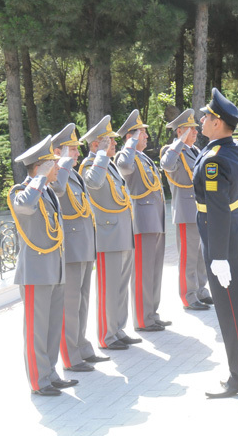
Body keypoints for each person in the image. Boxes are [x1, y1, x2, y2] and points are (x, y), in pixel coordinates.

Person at [194, 88, 238, 398]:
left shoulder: (215, 160)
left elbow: (217, 208)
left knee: (232, 312)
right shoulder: (232, 147)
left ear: (218, 123)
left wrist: (217, 256)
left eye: (207, 116)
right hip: (237, 236)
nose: (202, 120)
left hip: (224, 245)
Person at [8, 135, 78, 396]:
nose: (58, 169)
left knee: (51, 328)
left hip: (54, 269)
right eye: (52, 164)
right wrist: (38, 178)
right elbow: (25, 207)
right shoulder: (20, 192)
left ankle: (50, 372)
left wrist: (45, 176)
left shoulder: (48, 191)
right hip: (36, 272)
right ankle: (39, 381)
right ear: (39, 168)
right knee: (37, 330)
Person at [49, 124, 109, 373]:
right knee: (71, 303)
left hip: (84, 243)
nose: (76, 153)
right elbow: (58, 190)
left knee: (83, 301)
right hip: (72, 247)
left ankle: (82, 347)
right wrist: (61, 162)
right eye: (71, 149)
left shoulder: (72, 173)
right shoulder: (59, 173)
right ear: (57, 152)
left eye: (75, 148)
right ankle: (70, 356)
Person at [80, 115, 141, 350]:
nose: (114, 144)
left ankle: (118, 328)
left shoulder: (108, 163)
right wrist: (102, 156)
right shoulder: (90, 165)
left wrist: (106, 156)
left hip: (123, 232)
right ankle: (106, 335)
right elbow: (94, 183)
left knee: (121, 286)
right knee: (108, 287)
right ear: (96, 144)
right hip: (108, 235)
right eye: (109, 141)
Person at [115, 110, 169, 332]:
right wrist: (130, 143)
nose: (146, 137)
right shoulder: (125, 155)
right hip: (142, 221)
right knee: (143, 272)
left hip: (155, 219)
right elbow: (125, 167)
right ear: (131, 136)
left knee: (155, 270)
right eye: (141, 133)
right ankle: (142, 318)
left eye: (145, 134)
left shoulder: (143, 157)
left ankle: (152, 313)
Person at [160, 109, 212, 311]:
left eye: (195, 129)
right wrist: (179, 141)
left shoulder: (195, 151)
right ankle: (188, 295)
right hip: (186, 209)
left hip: (199, 208)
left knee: (200, 254)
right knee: (188, 255)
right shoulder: (172, 151)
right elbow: (166, 164)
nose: (196, 132)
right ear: (180, 131)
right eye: (191, 129)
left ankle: (200, 290)